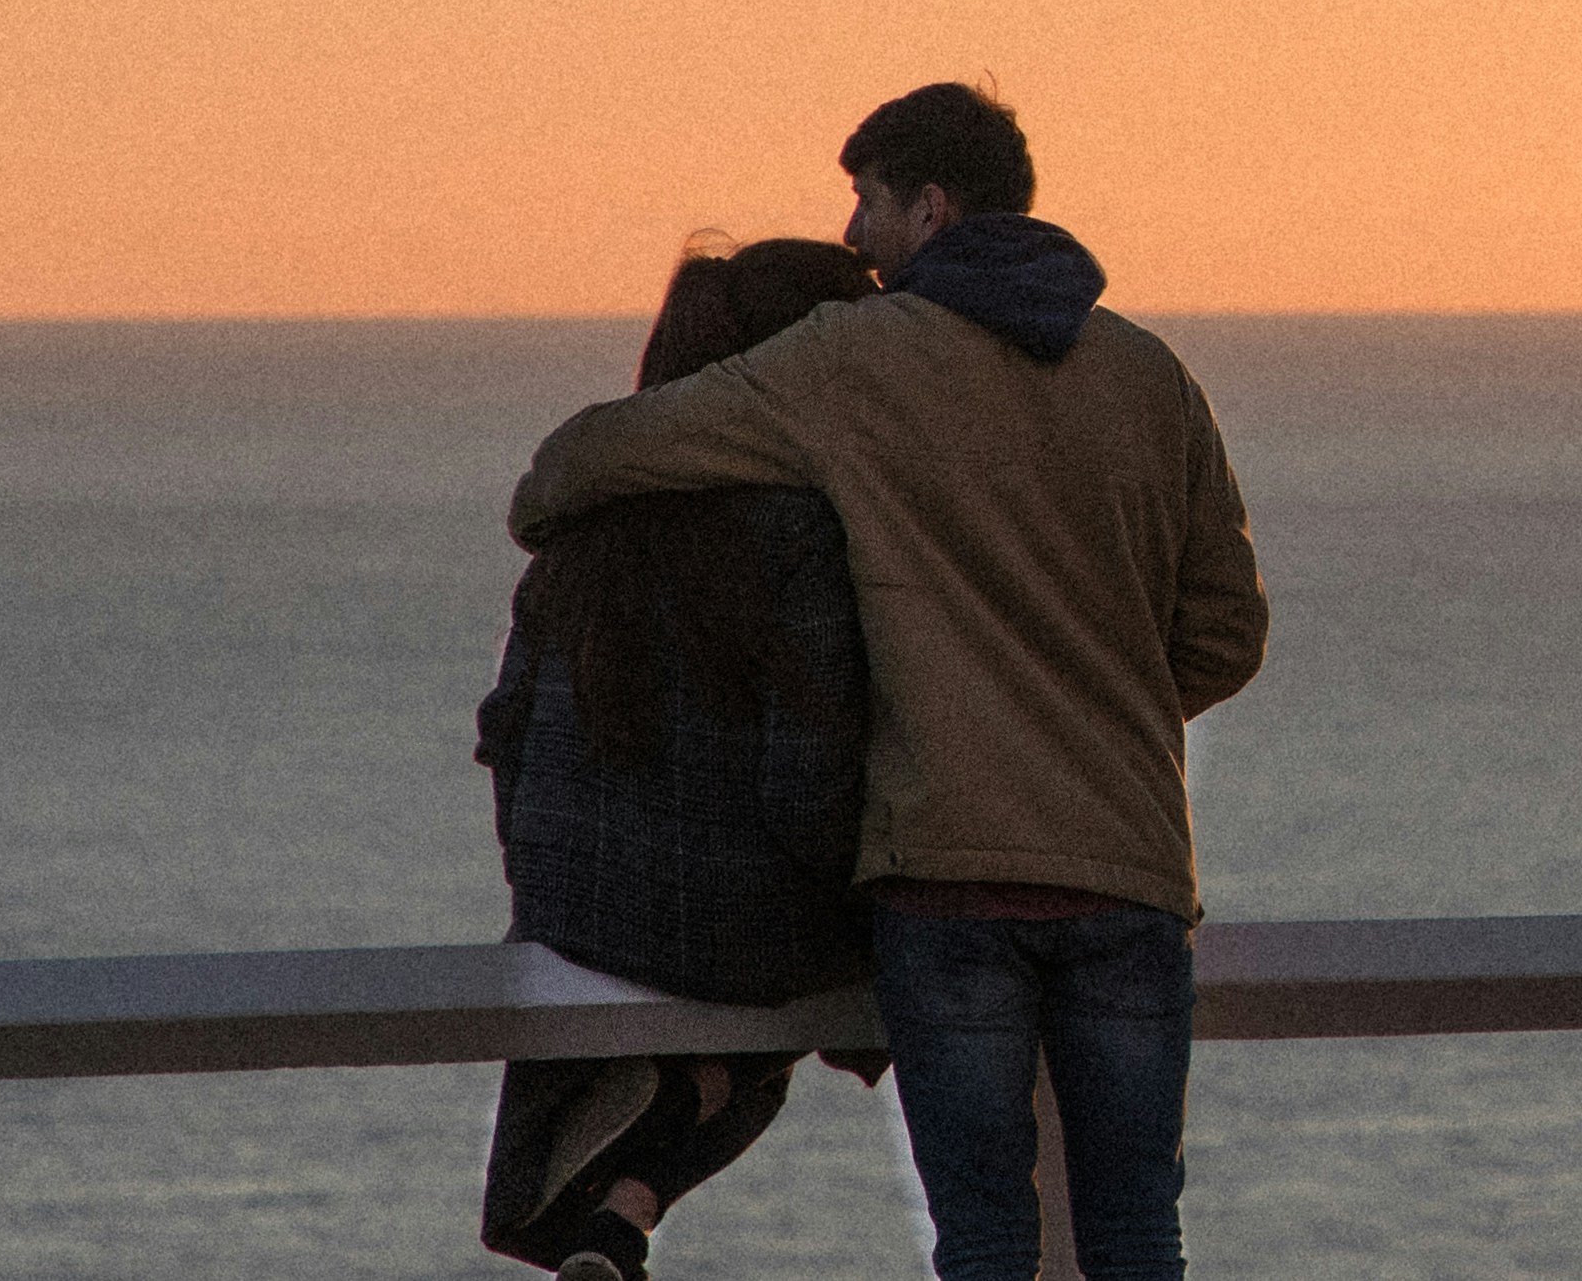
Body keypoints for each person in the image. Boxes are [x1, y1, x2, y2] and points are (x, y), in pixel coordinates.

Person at [510, 82, 1268, 1281]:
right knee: (1133, 1229)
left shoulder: (852, 361)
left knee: (984, 1239)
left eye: (865, 200)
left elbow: (584, 458)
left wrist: (546, 508)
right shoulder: (1150, 375)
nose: (852, 236)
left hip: (949, 882)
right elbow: (1225, 631)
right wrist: (1083, 711)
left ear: (929, 202)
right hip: (1127, 873)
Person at [476, 236, 882, 1281]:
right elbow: (811, 787)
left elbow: (507, 733)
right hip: (736, 935)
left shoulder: (583, 521)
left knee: (708, 1044)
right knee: (814, 1013)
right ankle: (665, 1129)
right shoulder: (805, 533)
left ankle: (614, 1213)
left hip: (571, 915)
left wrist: (552, 884)